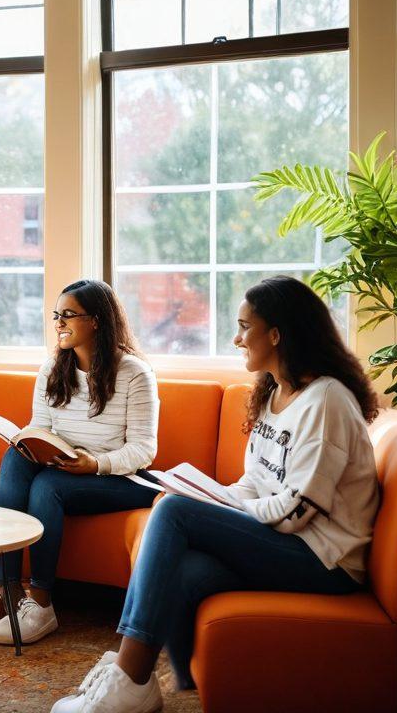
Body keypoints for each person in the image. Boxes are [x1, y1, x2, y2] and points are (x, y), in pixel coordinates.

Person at [53, 275, 380, 713]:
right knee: (186, 568)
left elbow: (297, 510)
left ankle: (127, 680)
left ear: (276, 334)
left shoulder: (326, 401)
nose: (236, 338)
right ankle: (137, 679)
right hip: (291, 543)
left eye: (244, 327)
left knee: (174, 511)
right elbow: (255, 482)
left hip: (324, 560)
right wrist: (215, 496)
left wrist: (212, 509)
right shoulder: (275, 393)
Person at [0, 279, 159, 647]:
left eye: (68, 315)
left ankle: (41, 603)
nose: (58, 323)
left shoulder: (135, 373)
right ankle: (6, 587)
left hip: (120, 479)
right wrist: (32, 444)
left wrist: (95, 464)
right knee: (16, 456)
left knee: (47, 487)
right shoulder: (53, 369)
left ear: (96, 321)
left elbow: (143, 450)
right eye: (56, 315)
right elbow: (40, 427)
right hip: (68, 467)